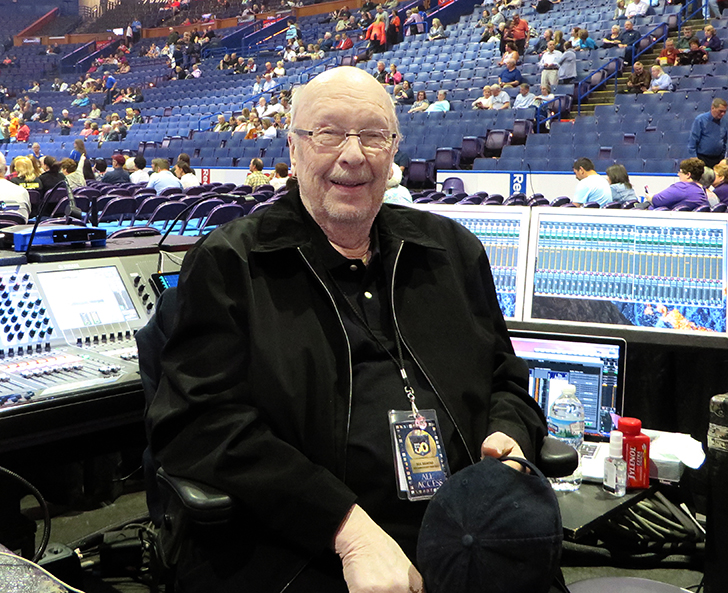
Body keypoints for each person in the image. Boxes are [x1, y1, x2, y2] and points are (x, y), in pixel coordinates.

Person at [147, 65, 547, 593]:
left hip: (470, 535)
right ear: (294, 150)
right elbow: (200, 426)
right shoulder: (230, 264)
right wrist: (347, 528)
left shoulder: (453, 252)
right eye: (329, 133)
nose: (353, 154)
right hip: (299, 547)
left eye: (374, 135)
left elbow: (506, 380)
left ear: (394, 151)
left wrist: (509, 437)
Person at [688, 98, 728, 168]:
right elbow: (693, 140)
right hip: (702, 159)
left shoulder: (725, 121)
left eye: (725, 111)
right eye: (720, 111)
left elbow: (725, 140)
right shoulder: (700, 120)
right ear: (712, 108)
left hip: (719, 160)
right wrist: (695, 159)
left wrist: (724, 158)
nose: (723, 114)